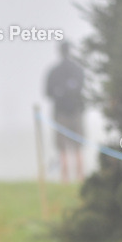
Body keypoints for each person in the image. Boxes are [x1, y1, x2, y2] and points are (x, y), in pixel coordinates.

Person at [45, 41, 86, 183]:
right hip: (76, 112)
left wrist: (60, 93)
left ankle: (65, 179)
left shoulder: (53, 71)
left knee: (62, 148)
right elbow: (82, 88)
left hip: (61, 113)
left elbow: (47, 92)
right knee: (78, 147)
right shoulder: (78, 69)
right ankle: (80, 177)